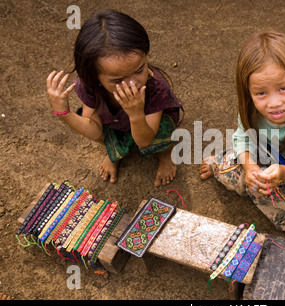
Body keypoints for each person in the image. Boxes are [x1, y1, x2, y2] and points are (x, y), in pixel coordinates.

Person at [200, 30, 285, 244]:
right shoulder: (251, 110)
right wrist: (250, 167)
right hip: (262, 157)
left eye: (283, 88)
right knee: (234, 175)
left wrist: (281, 173)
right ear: (248, 92)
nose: (273, 103)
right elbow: (243, 138)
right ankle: (227, 164)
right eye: (261, 93)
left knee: (262, 193)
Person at [47, 10, 183, 186]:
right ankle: (115, 153)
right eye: (118, 80)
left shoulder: (155, 87)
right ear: (95, 78)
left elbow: (144, 140)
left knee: (163, 128)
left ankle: (165, 155)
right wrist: (63, 113)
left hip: (148, 129)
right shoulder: (90, 85)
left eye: (139, 69)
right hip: (116, 125)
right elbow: (94, 131)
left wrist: (135, 114)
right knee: (100, 129)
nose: (133, 83)